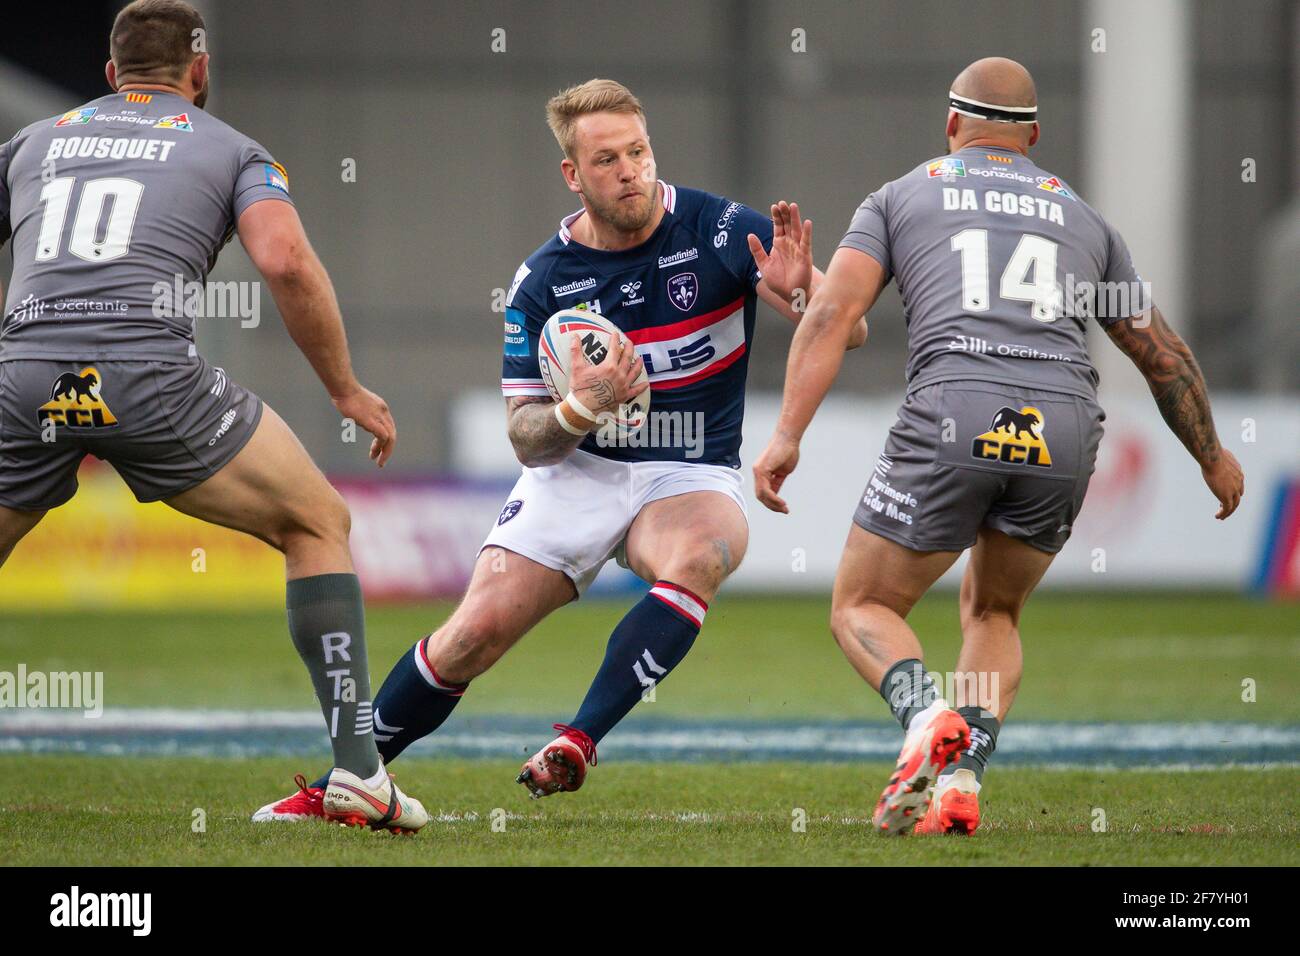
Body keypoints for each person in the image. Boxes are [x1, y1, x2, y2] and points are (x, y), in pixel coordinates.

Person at [254, 77, 865, 819]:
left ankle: (577, 739)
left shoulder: (723, 229)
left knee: (700, 556)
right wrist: (581, 405)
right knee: (469, 638)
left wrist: (804, 299)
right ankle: (338, 787)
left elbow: (847, 328)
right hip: (579, 468)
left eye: (638, 151)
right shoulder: (543, 282)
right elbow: (528, 438)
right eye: (606, 160)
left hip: (687, 467)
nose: (631, 170)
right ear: (573, 176)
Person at [752, 57, 1244, 836]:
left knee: (864, 604)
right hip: (1067, 424)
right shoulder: (1086, 219)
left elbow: (832, 316)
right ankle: (962, 783)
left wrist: (786, 435)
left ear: (952, 126)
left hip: (956, 407)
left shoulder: (902, 196)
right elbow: (1163, 355)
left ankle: (924, 719)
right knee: (995, 610)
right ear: (1034, 139)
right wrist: (1213, 457)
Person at [0, 0, 427, 833]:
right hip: (146, 375)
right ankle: (360, 775)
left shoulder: (33, 141)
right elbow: (286, 261)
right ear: (199, 73)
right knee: (318, 522)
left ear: (111, 72)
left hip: (24, 375)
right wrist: (344, 389)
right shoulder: (231, 148)